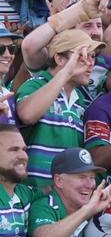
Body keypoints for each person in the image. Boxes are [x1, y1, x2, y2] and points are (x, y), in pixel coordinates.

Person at [15, 30, 101, 182]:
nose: (90, 63)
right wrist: (67, 73)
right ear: (60, 59)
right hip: (32, 194)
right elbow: (26, 115)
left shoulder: (81, 99)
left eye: (93, 56)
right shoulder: (35, 85)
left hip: (62, 196)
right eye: (82, 56)